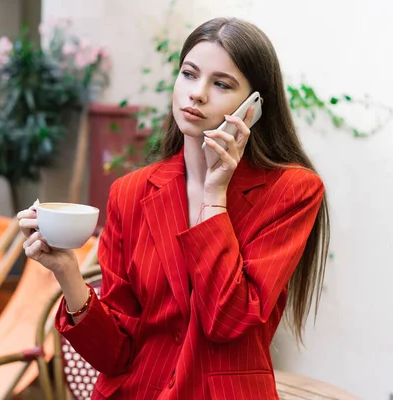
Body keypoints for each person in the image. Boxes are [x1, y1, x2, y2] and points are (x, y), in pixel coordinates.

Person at [17, 16, 330, 400]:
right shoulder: (130, 193)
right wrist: (67, 272)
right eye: (189, 74)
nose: (196, 93)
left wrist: (215, 198)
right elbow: (114, 354)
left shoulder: (291, 191)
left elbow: (227, 320)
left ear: (254, 107)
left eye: (221, 84)